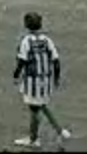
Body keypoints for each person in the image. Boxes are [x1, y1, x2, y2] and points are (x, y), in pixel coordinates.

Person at [12, 12, 72, 149]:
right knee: (41, 105)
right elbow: (56, 61)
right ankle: (60, 131)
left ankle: (33, 139)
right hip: (46, 79)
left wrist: (16, 76)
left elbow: (22, 61)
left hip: (32, 81)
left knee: (34, 109)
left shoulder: (26, 41)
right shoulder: (47, 40)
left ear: (26, 25)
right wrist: (56, 78)